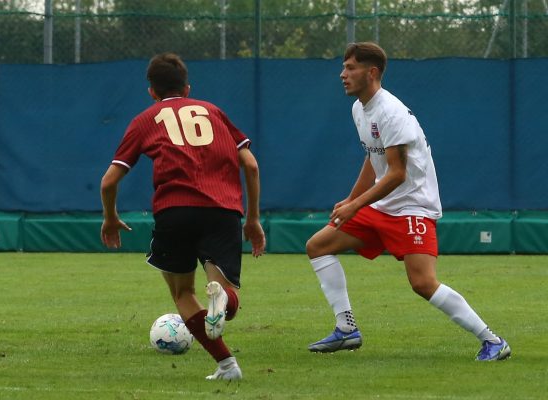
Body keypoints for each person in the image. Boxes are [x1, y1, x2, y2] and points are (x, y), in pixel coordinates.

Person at [305, 42, 510, 361]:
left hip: (412, 207)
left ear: (371, 73)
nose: (343, 74)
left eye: (351, 68)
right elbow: (373, 160)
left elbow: (397, 174)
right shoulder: (360, 108)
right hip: (381, 205)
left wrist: (355, 206)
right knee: (317, 246)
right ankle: (346, 330)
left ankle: (493, 340)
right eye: (344, 67)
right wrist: (351, 198)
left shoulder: (391, 112)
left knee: (423, 283)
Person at [100, 53, 266, 380]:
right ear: (187, 88)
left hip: (174, 210)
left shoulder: (146, 119)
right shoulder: (214, 112)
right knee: (226, 299)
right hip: (223, 209)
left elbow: (108, 181)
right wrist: (253, 218)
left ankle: (227, 365)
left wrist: (110, 217)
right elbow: (251, 165)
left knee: (182, 293)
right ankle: (222, 299)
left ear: (151, 91)